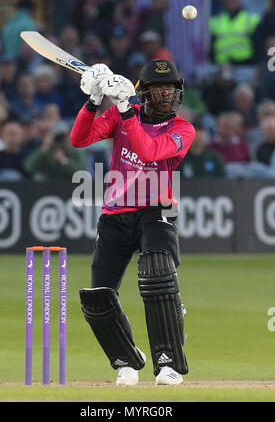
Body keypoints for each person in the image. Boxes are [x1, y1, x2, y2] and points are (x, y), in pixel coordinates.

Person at [70, 60, 195, 386]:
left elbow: (150, 151)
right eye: (157, 90)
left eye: (170, 90)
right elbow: (79, 139)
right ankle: (127, 360)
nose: (165, 97)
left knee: (157, 273)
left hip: (158, 207)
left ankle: (168, 362)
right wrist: (94, 100)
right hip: (116, 211)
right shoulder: (119, 114)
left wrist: (124, 109)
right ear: (145, 93)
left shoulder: (182, 129)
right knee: (98, 295)